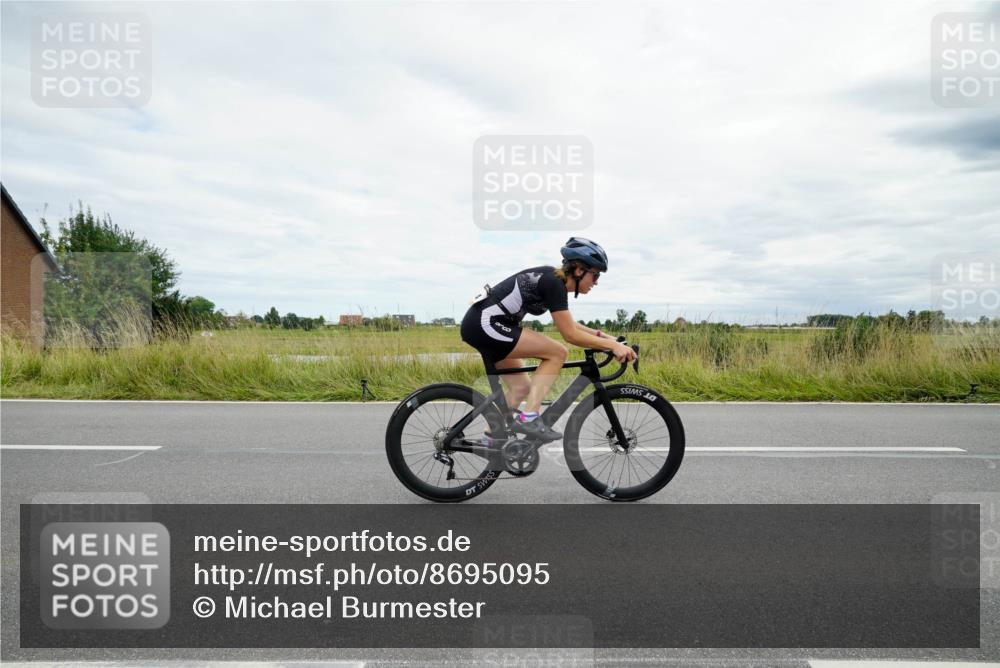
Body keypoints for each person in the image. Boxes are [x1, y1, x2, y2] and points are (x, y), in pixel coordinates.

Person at [460, 237, 638, 443]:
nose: (596, 282)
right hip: (485, 324)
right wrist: (612, 346)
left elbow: (569, 324)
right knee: (557, 352)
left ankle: (490, 441)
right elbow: (569, 334)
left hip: (485, 325)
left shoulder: (553, 281)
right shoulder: (553, 282)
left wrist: (605, 338)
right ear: (579, 270)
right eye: (595, 275)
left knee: (521, 388)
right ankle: (529, 418)